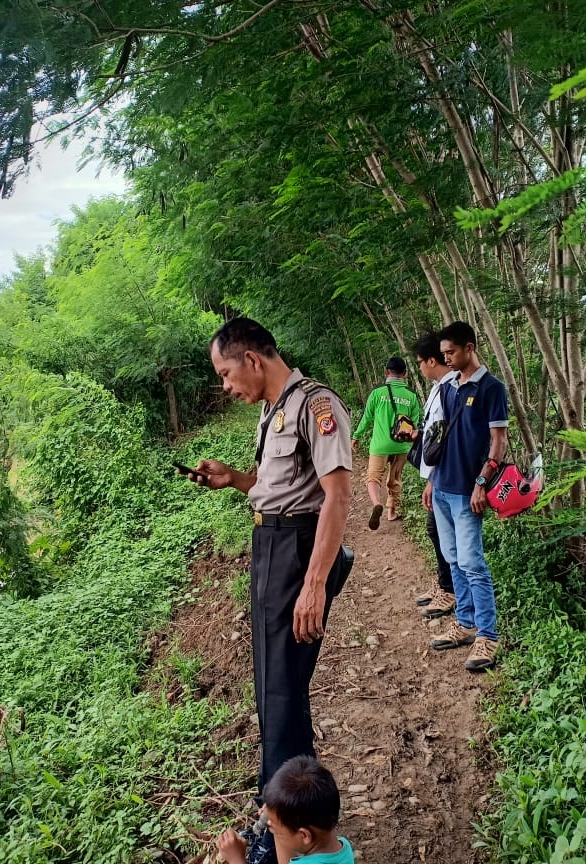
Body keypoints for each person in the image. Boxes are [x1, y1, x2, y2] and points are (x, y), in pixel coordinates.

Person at [183, 317, 353, 807]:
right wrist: (234, 478)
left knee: (281, 690)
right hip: (270, 546)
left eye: (225, 373)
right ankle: (287, 804)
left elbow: (337, 497)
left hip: (296, 552)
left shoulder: (316, 404)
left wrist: (315, 584)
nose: (225, 385)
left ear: (252, 360)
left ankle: (285, 815)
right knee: (273, 685)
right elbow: (276, 486)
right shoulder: (273, 409)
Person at [424, 321, 508, 672]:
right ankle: (466, 621)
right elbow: (441, 436)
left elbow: (498, 442)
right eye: (444, 354)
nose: (447, 358)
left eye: (452, 352)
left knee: (473, 563)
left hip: (466, 491)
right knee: (453, 558)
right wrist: (431, 481)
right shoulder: (448, 388)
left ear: (470, 347)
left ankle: (488, 635)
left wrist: (481, 482)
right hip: (442, 486)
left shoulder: (491, 388)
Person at [216, 756, 355, 864]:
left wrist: (236, 859)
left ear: (304, 835)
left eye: (276, 829)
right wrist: (276, 816)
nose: (270, 828)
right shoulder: (341, 846)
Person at [410, 333, 458, 620]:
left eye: (419, 362)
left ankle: (449, 589)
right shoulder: (438, 387)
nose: (419, 367)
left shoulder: (449, 389)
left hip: (445, 477)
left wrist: (432, 480)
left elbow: (446, 440)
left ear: (431, 360)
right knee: (435, 530)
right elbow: (433, 432)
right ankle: (444, 584)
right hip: (437, 475)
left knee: (443, 534)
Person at [351, 357, 422, 530]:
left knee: (373, 477)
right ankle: (391, 512)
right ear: (405, 374)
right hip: (402, 445)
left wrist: (356, 435)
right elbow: (416, 423)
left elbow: (366, 417)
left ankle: (376, 503)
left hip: (380, 445)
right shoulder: (411, 395)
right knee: (395, 478)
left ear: (386, 372)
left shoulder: (377, 392)